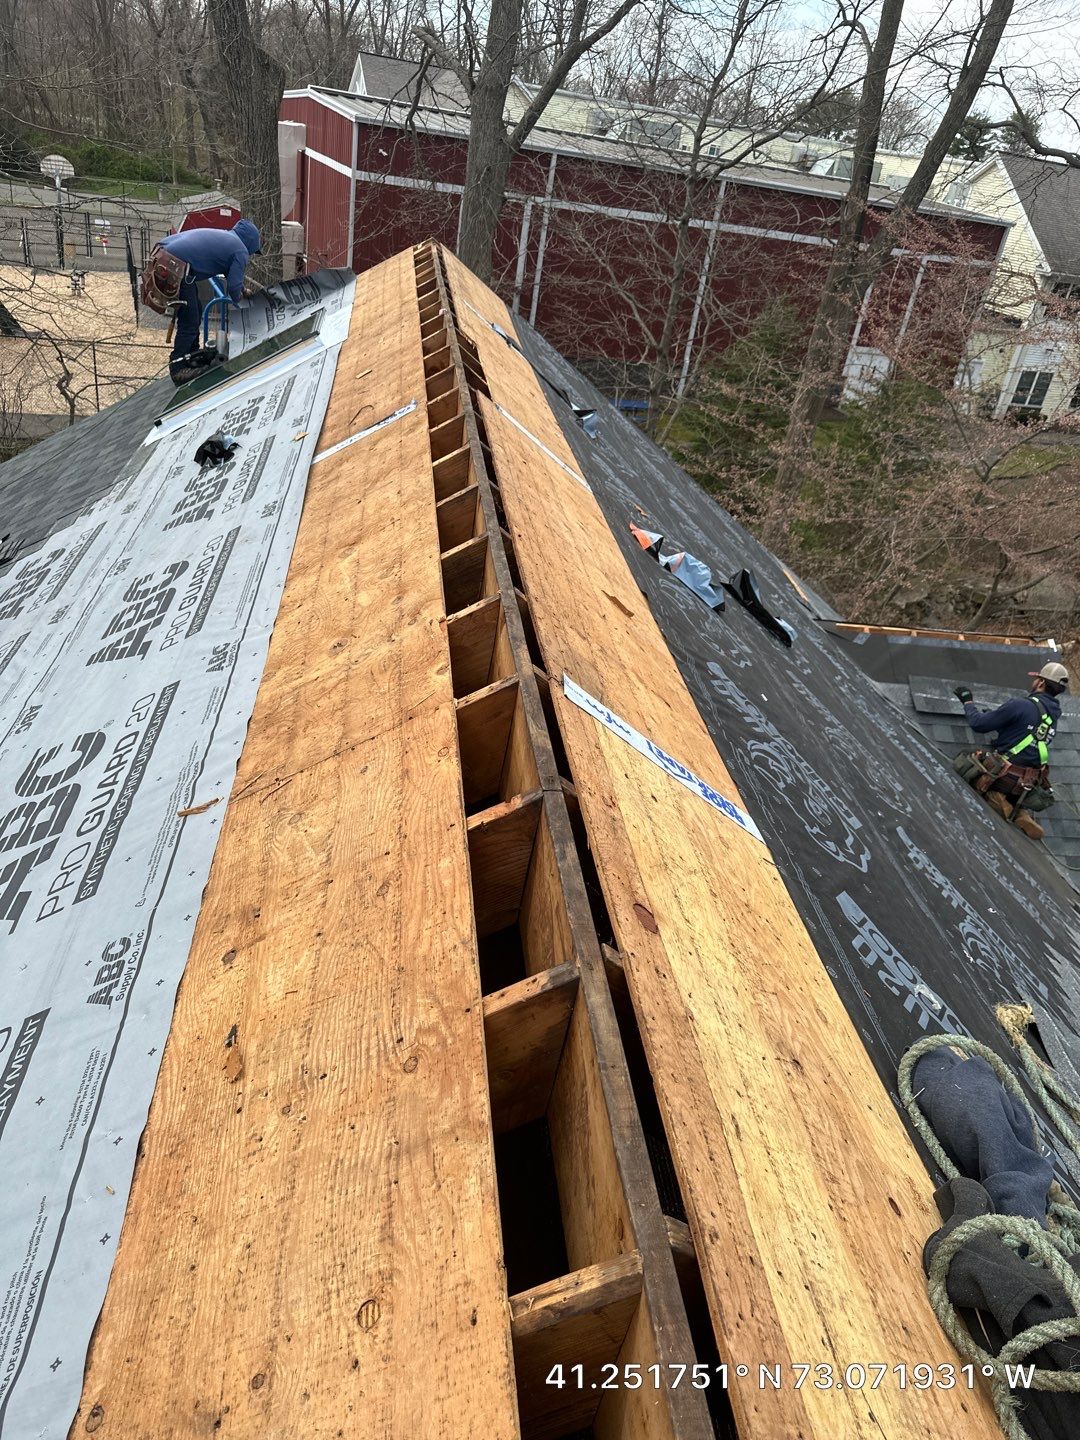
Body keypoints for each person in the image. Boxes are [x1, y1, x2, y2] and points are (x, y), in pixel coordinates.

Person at [954, 661, 1069, 838]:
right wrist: (1003, 720)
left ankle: (999, 801)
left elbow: (978, 724)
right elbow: (1025, 734)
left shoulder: (1020, 705)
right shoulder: (1053, 717)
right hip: (1028, 783)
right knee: (1016, 766)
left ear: (1041, 683)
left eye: (1037, 678)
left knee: (965, 761)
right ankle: (1019, 811)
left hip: (1004, 777)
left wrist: (967, 701)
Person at [157, 218, 262, 383]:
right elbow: (233, 288)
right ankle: (178, 368)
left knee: (195, 312)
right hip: (176, 267)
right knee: (190, 320)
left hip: (166, 258)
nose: (250, 254)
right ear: (250, 243)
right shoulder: (240, 250)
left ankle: (190, 357)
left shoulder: (228, 239)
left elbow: (231, 275)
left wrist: (243, 290)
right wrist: (241, 300)